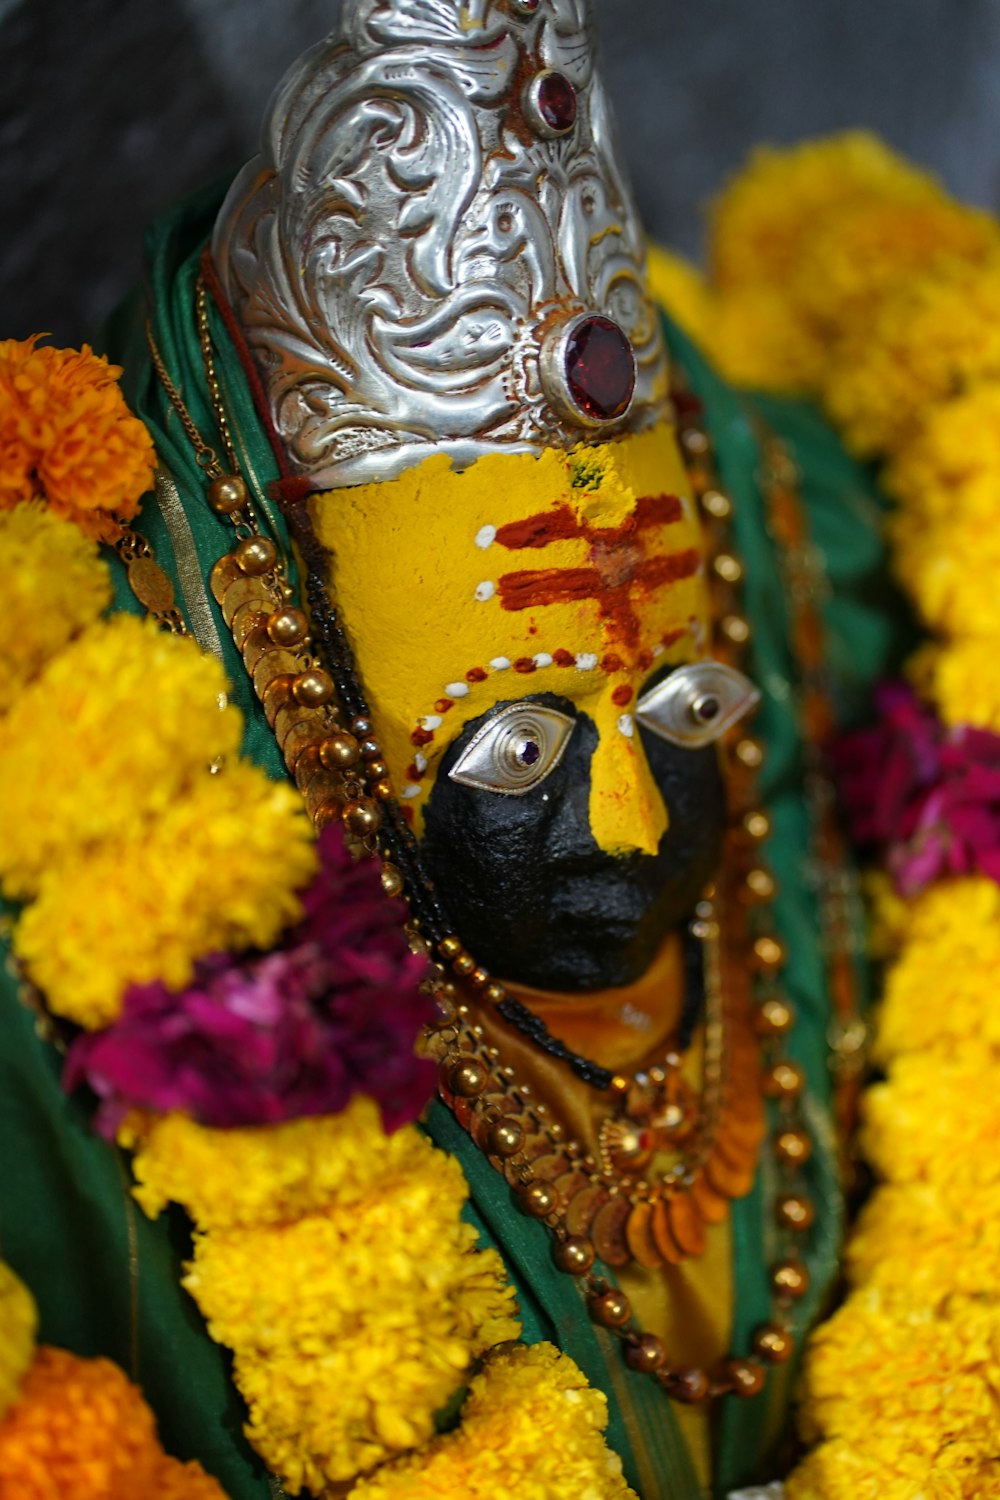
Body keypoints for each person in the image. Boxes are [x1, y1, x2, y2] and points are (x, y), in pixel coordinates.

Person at [0, 2, 902, 1495]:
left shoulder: (829, 606)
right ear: (315, 716)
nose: (630, 822)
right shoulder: (96, 997)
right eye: (518, 754)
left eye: (682, 716)